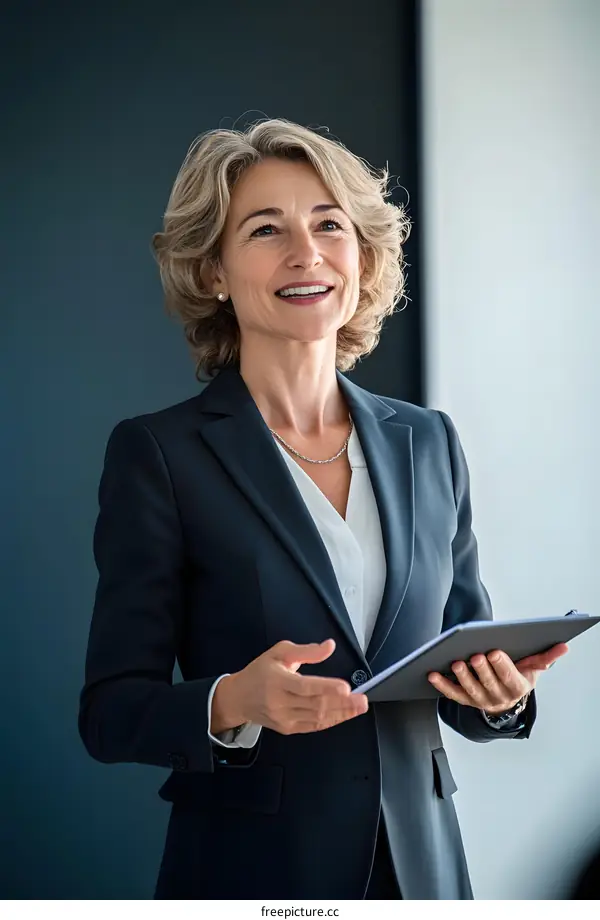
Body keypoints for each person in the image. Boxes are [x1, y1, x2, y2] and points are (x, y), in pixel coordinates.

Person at [78, 118, 568, 900]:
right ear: (212, 269)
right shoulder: (160, 455)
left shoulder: (430, 441)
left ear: (362, 255)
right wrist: (234, 699)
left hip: (423, 874)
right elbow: (109, 712)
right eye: (266, 229)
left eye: (329, 225)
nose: (306, 252)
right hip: (252, 873)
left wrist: (503, 699)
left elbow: (459, 664)